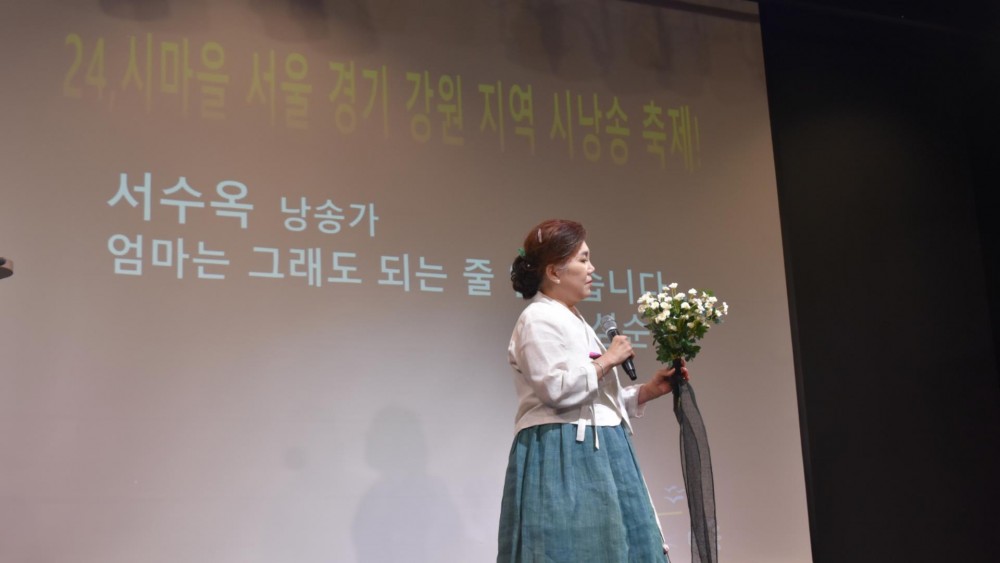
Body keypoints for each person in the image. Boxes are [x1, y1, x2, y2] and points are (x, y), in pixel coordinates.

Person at [498, 219, 688, 563]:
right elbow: (556, 390)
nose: (592, 268)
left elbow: (595, 402)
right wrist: (608, 360)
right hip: (563, 449)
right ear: (554, 271)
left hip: (603, 447)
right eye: (583, 259)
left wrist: (646, 391)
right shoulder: (537, 318)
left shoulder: (573, 317)